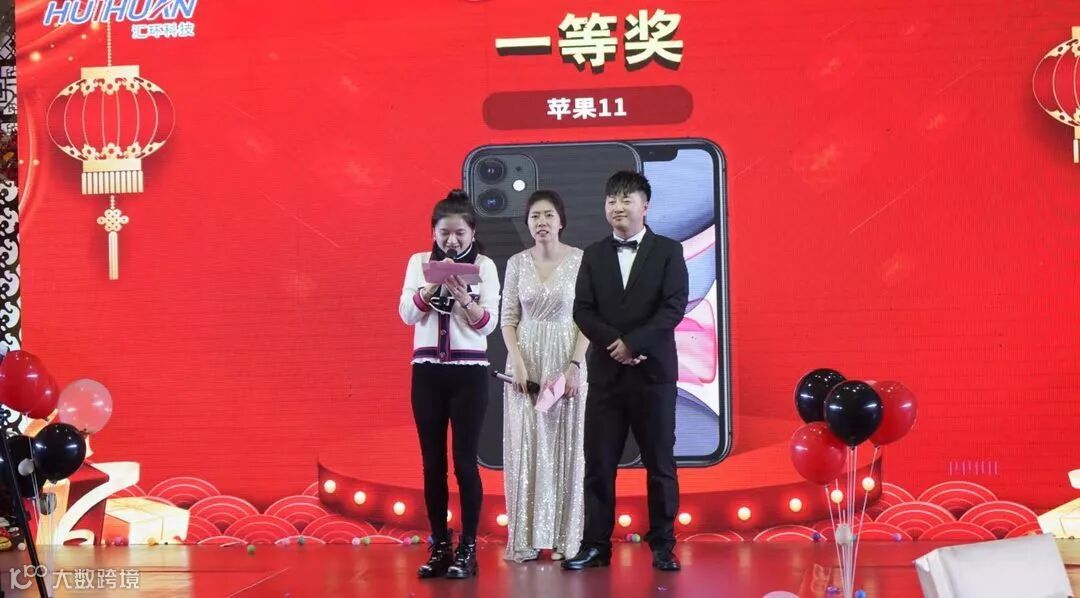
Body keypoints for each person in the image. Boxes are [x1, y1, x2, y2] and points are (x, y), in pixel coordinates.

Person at [564, 171, 689, 572]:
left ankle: (663, 545)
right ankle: (595, 545)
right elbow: (583, 309)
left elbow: (674, 306)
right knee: (598, 465)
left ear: (645, 206)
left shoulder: (668, 250)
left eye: (626, 200)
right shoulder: (593, 254)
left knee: (660, 464)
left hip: (654, 376)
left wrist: (634, 343)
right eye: (611, 200)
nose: (618, 207)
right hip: (606, 377)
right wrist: (614, 344)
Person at [398, 190, 500, 579]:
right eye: (444, 234)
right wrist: (429, 290)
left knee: (465, 463)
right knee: (432, 463)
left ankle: (468, 548)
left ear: (472, 233)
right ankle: (439, 544)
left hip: (468, 374)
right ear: (434, 233)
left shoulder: (485, 266)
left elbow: (488, 324)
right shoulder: (418, 263)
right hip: (427, 372)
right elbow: (406, 314)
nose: (452, 241)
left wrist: (464, 300)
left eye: (459, 233)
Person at [500, 190, 589, 563]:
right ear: (527, 223)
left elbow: (587, 318)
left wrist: (574, 366)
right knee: (526, 446)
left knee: (566, 447)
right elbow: (508, 318)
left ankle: (566, 540)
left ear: (561, 220)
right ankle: (525, 538)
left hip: (566, 359)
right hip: (525, 362)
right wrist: (518, 364)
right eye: (535, 216)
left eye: (548, 215)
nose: (542, 222)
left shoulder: (581, 261)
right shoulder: (517, 263)